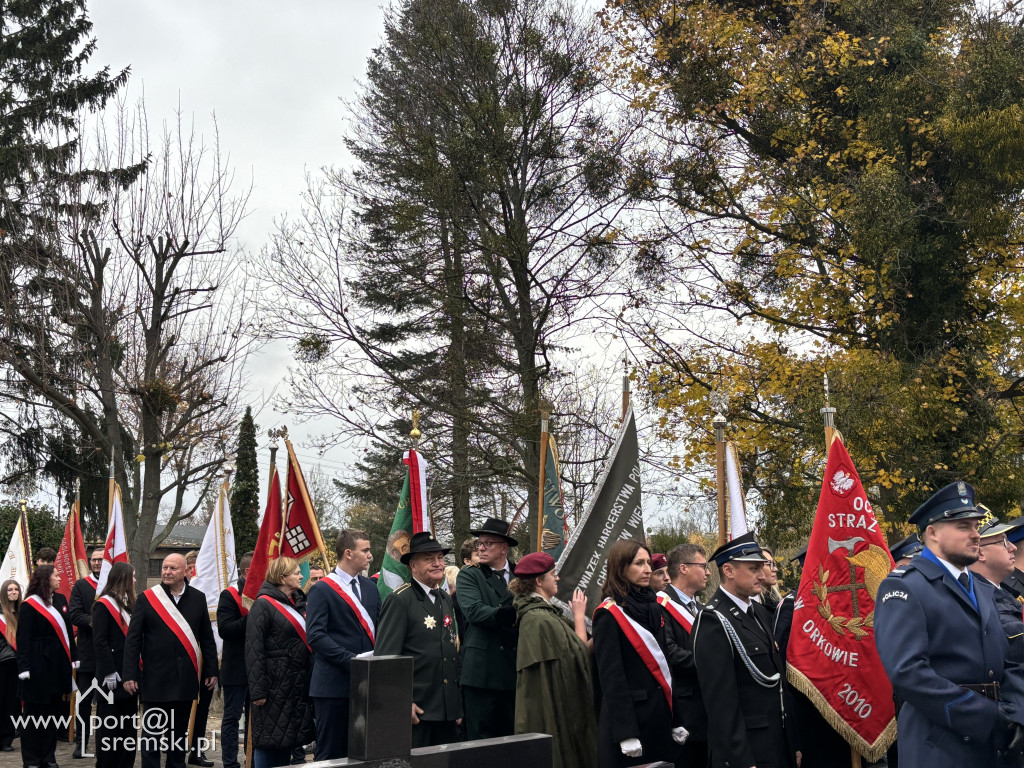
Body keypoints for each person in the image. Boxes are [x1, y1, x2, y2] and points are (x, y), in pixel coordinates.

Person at [875, 482, 1024, 768]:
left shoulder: (981, 588)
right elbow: (908, 674)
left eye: (975, 526)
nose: (975, 534)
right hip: (941, 746)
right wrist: (989, 719)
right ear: (932, 533)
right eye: (963, 526)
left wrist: (1017, 715)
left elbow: (1010, 658)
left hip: (993, 746)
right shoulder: (906, 588)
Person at [692, 532, 797, 768]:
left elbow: (779, 685)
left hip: (778, 746)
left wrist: (793, 744)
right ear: (728, 571)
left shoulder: (759, 613)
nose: (762, 575)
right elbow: (721, 704)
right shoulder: (713, 620)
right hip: (748, 751)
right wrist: (741, 760)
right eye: (753, 569)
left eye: (763, 567)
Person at [593, 539, 686, 768]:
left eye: (648, 563)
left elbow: (665, 668)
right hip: (631, 722)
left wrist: (676, 718)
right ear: (621, 567)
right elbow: (612, 678)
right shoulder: (609, 614)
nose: (647, 569)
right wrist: (625, 732)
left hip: (660, 717)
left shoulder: (654, 606)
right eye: (638, 563)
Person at [122, 553, 218, 768]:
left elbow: (207, 639)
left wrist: (211, 670)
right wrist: (129, 674)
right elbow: (133, 640)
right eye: (165, 567)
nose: (166, 572)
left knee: (178, 736)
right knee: (152, 738)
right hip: (155, 679)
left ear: (186, 572)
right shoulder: (148, 598)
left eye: (173, 568)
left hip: (185, 679)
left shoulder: (198, 598)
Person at [375, 532, 462, 747]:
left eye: (440, 558)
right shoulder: (400, 599)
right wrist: (401, 701)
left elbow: (449, 649)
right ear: (413, 566)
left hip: (446, 708)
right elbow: (385, 659)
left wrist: (455, 702)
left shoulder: (444, 598)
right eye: (429, 559)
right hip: (417, 710)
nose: (437, 564)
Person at [509, 551, 596, 768]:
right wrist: (578, 616)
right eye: (553, 574)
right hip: (552, 710)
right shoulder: (538, 618)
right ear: (539, 581)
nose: (557, 578)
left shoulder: (543, 613)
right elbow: (579, 652)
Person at [773, 546, 850, 768]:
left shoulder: (839, 604)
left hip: (844, 702)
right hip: (807, 709)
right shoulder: (791, 605)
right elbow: (783, 662)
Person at [306, 529, 379, 760]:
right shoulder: (321, 589)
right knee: (330, 754)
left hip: (366, 684)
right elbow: (316, 636)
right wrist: (350, 660)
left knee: (362, 752)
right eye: (365, 550)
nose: (370, 555)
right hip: (333, 686)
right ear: (348, 553)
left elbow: (377, 628)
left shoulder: (370, 587)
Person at [246, 557, 315, 768]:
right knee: (268, 742)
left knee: (286, 740)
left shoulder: (298, 602)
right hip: (272, 688)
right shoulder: (263, 605)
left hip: (294, 686)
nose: (301, 576)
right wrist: (258, 692)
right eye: (296, 573)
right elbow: (253, 650)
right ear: (282, 577)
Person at [456, 517, 519, 739]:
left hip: (514, 671)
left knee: (514, 741)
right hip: (482, 674)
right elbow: (474, 611)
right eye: (479, 543)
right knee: (481, 744)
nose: (481, 548)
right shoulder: (470, 574)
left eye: (488, 543)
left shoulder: (522, 574)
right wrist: (512, 613)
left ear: (504, 548)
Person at [17, 564, 77, 768]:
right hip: (37, 665)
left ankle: (48, 757)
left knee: (53, 715)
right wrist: (24, 667)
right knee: (34, 717)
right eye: (56, 575)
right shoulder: (29, 605)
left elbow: (68, 632)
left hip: (58, 665)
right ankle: (32, 759)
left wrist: (74, 657)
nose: (59, 578)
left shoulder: (59, 600)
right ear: (45, 579)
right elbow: (23, 638)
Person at [661, 543, 709, 768]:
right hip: (683, 712)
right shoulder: (661, 605)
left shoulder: (701, 609)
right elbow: (668, 651)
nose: (708, 572)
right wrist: (710, 663)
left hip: (708, 710)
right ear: (683, 568)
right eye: (703, 566)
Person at [92, 562, 139, 768]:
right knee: (109, 727)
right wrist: (109, 671)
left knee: (127, 727)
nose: (135, 581)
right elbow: (100, 640)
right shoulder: (104, 604)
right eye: (133, 576)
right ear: (123, 578)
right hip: (111, 676)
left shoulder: (127, 604)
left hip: (128, 673)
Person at [218, 551, 253, 768]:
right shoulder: (229, 595)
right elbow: (226, 629)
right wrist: (252, 617)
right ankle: (230, 763)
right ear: (249, 571)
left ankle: (253, 759)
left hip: (259, 668)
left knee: (255, 719)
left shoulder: (264, 594)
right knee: (232, 718)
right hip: (236, 668)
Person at [68, 548, 103, 759]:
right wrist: (95, 623)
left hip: (109, 653)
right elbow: (74, 614)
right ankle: (81, 742)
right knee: (84, 703)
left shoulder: (112, 584)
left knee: (107, 703)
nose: (97, 563)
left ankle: (104, 741)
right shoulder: (81, 585)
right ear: (90, 563)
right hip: (88, 653)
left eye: (100, 560)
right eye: (94, 560)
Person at [0, 579, 22, 752]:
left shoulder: (23, 612)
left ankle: (7, 738)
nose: (13, 592)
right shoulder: (0, 614)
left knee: (12, 702)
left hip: (19, 663)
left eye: (16, 589)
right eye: (9, 590)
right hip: (4, 663)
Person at [758, 546, 782, 613]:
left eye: (774, 564)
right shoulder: (753, 608)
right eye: (769, 564)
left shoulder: (778, 602)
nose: (776, 569)